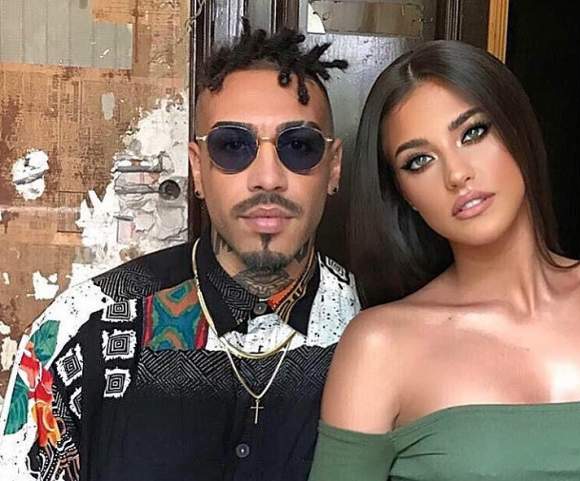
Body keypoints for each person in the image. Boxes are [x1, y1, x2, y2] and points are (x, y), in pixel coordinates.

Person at [0, 21, 360, 481]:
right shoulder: (83, 328)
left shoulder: (374, 327)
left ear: (333, 167)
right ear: (198, 168)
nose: (268, 178)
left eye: (299, 146)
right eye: (233, 146)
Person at [308, 40, 580, 481]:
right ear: (404, 195)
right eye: (419, 161)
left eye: (473, 133)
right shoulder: (379, 346)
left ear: (517, 129)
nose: (457, 174)